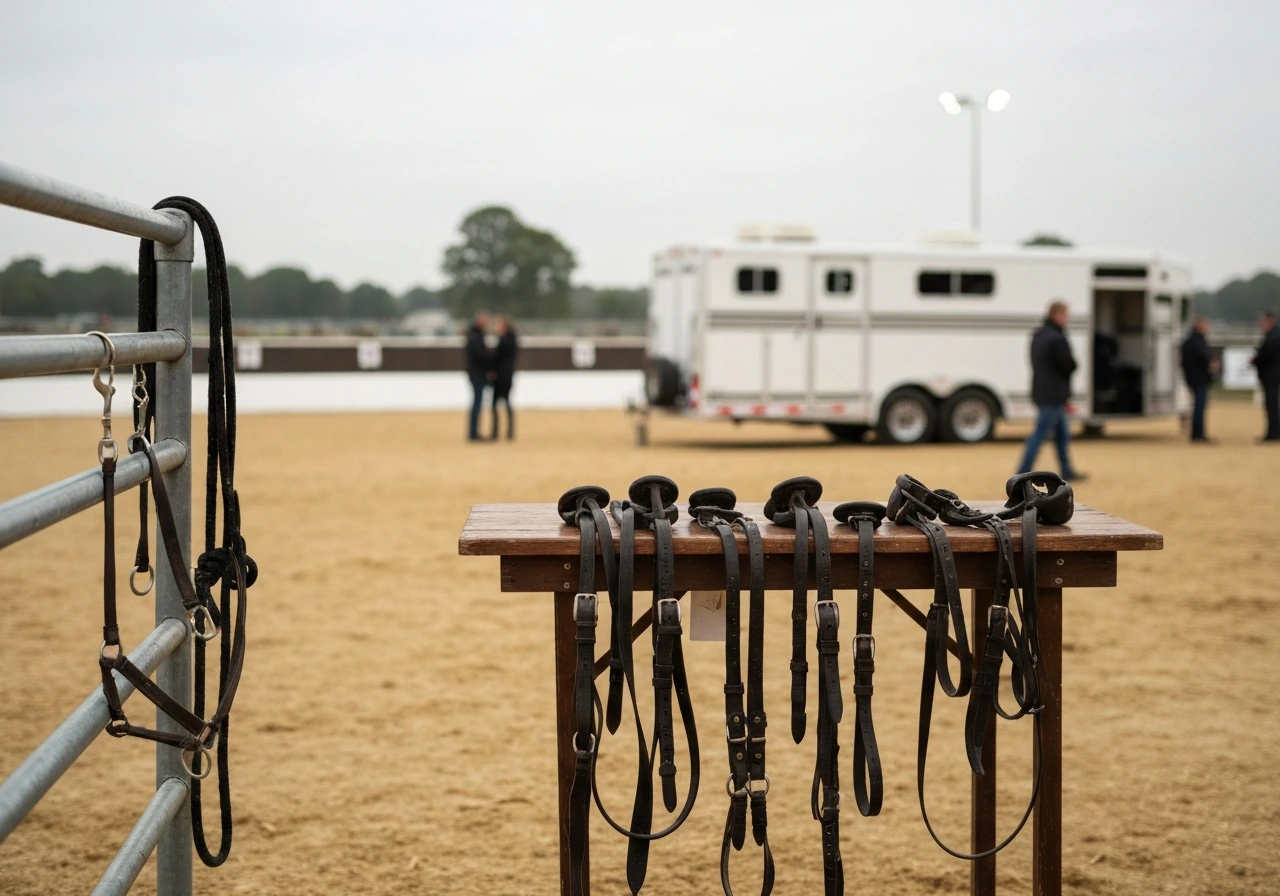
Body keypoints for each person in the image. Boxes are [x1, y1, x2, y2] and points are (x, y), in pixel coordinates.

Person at [1016, 300, 1086, 480]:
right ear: (1056, 315)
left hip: (1041, 390)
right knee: (1040, 433)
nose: (1066, 319)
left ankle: (1067, 470)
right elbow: (1067, 364)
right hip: (1054, 393)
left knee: (1062, 435)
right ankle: (1022, 472)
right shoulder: (1057, 338)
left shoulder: (1038, 335)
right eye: (1065, 315)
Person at [1180, 316, 1218, 442]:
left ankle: (1197, 432)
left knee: (1197, 405)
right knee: (1199, 406)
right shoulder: (1196, 342)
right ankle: (1198, 433)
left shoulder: (1189, 341)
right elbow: (1206, 357)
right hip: (1199, 379)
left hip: (1193, 378)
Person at [1252, 311, 1280, 442]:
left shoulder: (1274, 336)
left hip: (1272, 375)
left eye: (1262, 321)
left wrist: (1256, 360)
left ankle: (1273, 433)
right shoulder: (1273, 335)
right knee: (1271, 405)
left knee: (1272, 405)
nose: (1260, 324)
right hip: (1271, 375)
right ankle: (1273, 431)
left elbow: (1268, 355)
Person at [465, 310, 493, 442]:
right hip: (477, 374)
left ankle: (474, 432)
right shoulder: (475, 336)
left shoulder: (474, 334)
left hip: (476, 373)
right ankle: (473, 433)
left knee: (477, 403)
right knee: (477, 404)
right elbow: (480, 356)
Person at [490, 315, 518, 440]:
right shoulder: (511, 340)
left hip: (502, 376)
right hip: (507, 375)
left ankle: (498, 431)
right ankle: (507, 431)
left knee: (499, 403)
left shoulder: (505, 341)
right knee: (504, 403)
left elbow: (498, 358)